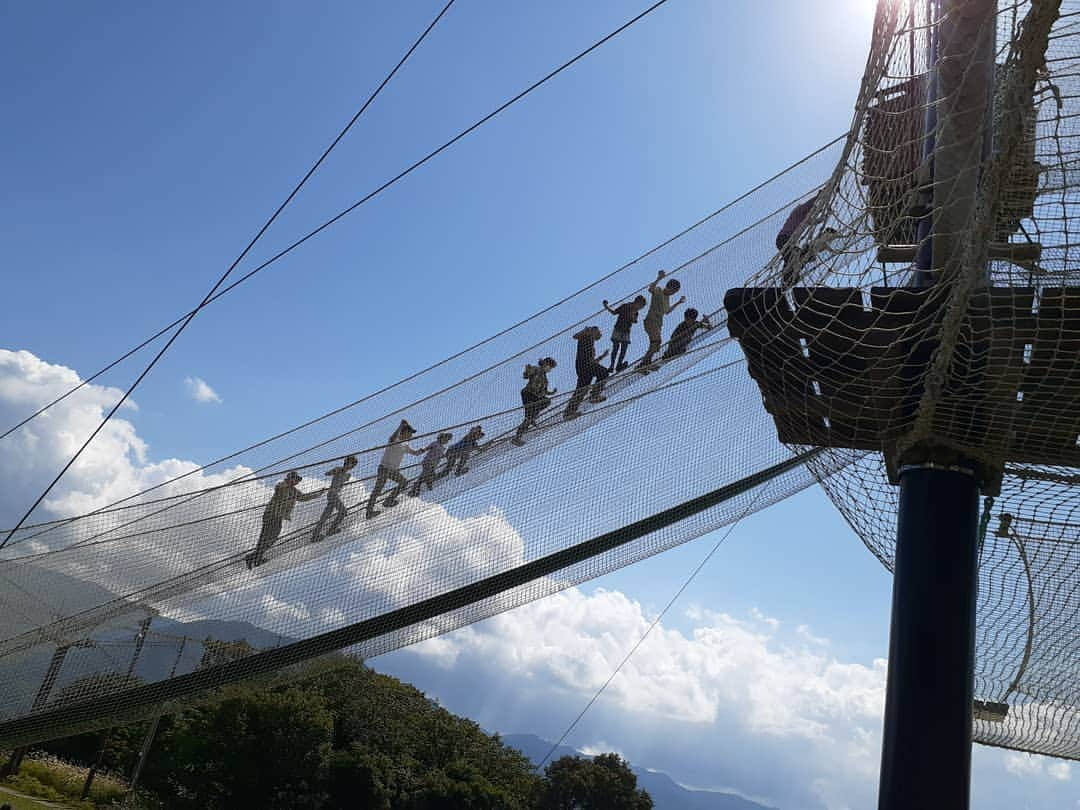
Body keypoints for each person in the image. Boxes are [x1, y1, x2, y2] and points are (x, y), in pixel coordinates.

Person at [246, 471, 322, 569]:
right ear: (290, 479)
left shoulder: (294, 491)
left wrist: (318, 494)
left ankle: (255, 558)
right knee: (267, 537)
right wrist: (287, 482)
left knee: (270, 538)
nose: (297, 482)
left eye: (297, 480)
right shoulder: (282, 486)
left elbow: (304, 497)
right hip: (271, 514)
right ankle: (254, 557)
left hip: (278, 516)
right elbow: (279, 487)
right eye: (295, 479)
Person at [775, 191, 838, 287]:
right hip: (784, 239)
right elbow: (810, 205)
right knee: (794, 259)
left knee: (799, 258)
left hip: (787, 241)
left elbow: (817, 220)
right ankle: (788, 279)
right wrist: (820, 195)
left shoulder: (804, 219)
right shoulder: (799, 212)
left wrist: (827, 214)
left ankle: (788, 279)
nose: (814, 212)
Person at [365, 420, 423, 518]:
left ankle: (388, 500)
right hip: (384, 468)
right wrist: (400, 426)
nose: (411, 436)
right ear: (404, 432)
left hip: (392, 470)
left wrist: (422, 450)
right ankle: (369, 511)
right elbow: (392, 438)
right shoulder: (394, 440)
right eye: (410, 433)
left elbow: (415, 453)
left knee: (404, 482)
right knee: (377, 490)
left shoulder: (405, 445)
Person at [638, 270, 685, 372]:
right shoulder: (659, 290)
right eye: (673, 291)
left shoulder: (667, 298)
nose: (673, 293)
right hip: (651, 320)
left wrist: (678, 302)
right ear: (669, 287)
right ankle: (643, 364)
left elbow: (667, 311)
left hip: (658, 323)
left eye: (675, 292)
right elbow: (650, 289)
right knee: (657, 341)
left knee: (655, 345)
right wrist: (659, 278)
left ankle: (645, 363)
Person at [564, 326, 609, 420]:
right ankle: (594, 395)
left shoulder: (590, 343)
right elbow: (575, 336)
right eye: (598, 332)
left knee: (582, 389)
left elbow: (593, 362)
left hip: (584, 366)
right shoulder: (586, 337)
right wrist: (585, 331)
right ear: (593, 331)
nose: (599, 334)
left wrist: (602, 356)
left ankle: (569, 412)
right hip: (584, 365)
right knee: (604, 372)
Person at [511, 357, 558, 446]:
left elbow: (543, 391)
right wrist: (527, 370)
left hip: (535, 396)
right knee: (529, 417)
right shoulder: (537, 370)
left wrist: (552, 393)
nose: (550, 370)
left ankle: (531, 418)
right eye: (550, 367)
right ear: (545, 364)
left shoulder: (545, 379)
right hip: (528, 394)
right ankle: (517, 437)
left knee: (546, 401)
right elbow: (527, 375)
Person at [311, 455, 357, 541]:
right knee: (343, 511)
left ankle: (315, 534)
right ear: (346, 463)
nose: (351, 466)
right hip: (332, 494)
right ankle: (331, 530)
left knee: (325, 515)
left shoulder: (347, 475)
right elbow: (327, 473)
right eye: (351, 464)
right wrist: (334, 471)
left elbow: (342, 482)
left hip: (334, 494)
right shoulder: (339, 469)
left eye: (353, 465)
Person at [602, 295, 646, 372]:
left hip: (626, 331)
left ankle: (619, 364)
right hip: (618, 328)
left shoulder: (636, 311)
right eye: (640, 306)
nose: (640, 308)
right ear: (637, 302)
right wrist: (606, 306)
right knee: (615, 347)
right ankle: (612, 365)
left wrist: (633, 313)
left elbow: (635, 321)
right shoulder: (625, 306)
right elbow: (614, 312)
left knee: (624, 348)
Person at [409, 432, 453, 496]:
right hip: (428, 462)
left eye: (447, 440)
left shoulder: (443, 448)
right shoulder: (435, 444)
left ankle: (424, 484)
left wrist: (447, 455)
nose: (446, 441)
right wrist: (420, 451)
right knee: (424, 475)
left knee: (427, 476)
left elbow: (440, 456)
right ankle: (415, 490)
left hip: (433, 465)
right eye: (445, 439)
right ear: (440, 438)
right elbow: (427, 448)